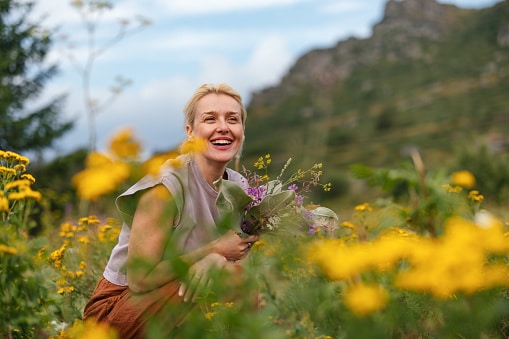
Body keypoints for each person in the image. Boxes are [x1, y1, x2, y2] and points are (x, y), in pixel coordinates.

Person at [83, 83, 260, 338]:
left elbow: (237, 267)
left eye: (233, 119)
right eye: (210, 119)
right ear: (190, 132)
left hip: (176, 301)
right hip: (116, 312)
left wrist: (216, 260)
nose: (223, 127)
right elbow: (140, 279)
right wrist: (212, 252)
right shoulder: (166, 186)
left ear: (242, 131)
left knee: (239, 281)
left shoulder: (239, 188)